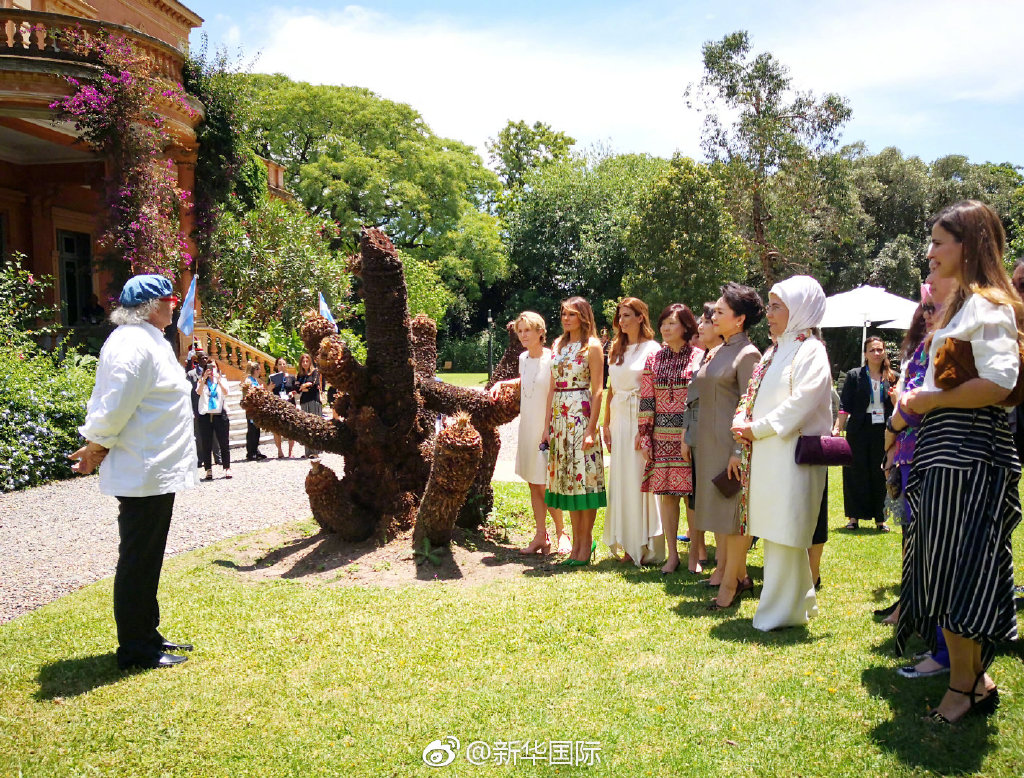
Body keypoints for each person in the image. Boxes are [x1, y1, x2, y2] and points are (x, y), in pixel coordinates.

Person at [896, 200, 1022, 724]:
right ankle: (973, 681)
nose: (929, 252)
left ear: (967, 246)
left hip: (969, 454)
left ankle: (963, 688)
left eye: (937, 242)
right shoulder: (962, 307)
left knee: (961, 570)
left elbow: (1000, 382)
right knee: (945, 570)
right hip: (946, 451)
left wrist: (929, 400)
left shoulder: (989, 306)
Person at [69, 274, 196, 670]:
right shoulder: (132, 344)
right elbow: (114, 405)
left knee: (147, 558)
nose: (174, 305)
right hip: (144, 471)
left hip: (154, 470)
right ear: (152, 306)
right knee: (138, 560)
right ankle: (136, 649)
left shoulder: (147, 339)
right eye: (170, 299)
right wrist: (96, 446)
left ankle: (147, 634)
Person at [731, 276, 832, 628]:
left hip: (793, 454)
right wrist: (742, 418)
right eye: (770, 306)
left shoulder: (811, 350)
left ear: (800, 310)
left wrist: (757, 428)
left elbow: (802, 402)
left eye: (776, 307)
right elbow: (753, 392)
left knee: (788, 528)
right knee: (773, 527)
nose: (769, 314)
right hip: (767, 453)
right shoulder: (774, 351)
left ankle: (781, 611)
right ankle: (793, 603)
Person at [689, 283, 763, 606]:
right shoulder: (719, 350)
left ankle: (730, 586)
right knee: (721, 517)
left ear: (740, 318)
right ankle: (739, 576)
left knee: (733, 519)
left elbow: (750, 406)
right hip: (709, 445)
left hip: (730, 449)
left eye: (720, 312)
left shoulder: (748, 354)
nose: (713, 317)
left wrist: (737, 450)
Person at [490, 312, 569, 555]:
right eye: (520, 331)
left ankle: (562, 533)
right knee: (533, 484)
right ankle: (540, 536)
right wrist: (502, 384)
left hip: (545, 428)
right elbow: (526, 381)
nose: (523, 335)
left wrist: (547, 428)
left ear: (540, 332)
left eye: (528, 330)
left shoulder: (552, 358)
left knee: (545, 484)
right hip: (527, 426)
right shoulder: (523, 358)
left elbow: (554, 394)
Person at [638, 304, 703, 573]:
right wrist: (645, 436)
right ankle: (673, 555)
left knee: (692, 496)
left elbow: (701, 400)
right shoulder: (653, 359)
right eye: (663, 323)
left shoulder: (699, 357)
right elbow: (646, 399)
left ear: (686, 327)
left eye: (672, 323)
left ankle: (695, 555)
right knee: (667, 496)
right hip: (661, 437)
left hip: (690, 436)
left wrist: (692, 433)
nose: (665, 328)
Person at [542, 296, 606, 566]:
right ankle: (577, 545)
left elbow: (598, 390)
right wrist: (546, 427)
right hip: (560, 418)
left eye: (572, 314)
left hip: (580, 414)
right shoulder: (558, 344)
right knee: (569, 482)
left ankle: (585, 543)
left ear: (583, 317)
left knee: (585, 480)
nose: (566, 319)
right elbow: (552, 388)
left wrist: (591, 429)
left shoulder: (592, 346)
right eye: (563, 314)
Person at [602, 298, 663, 566]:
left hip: (641, 417)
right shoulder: (615, 348)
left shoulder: (653, 348)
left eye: (627, 315)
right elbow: (611, 390)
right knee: (621, 479)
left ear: (641, 317)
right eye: (620, 316)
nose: (622, 320)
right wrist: (606, 424)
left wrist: (647, 428)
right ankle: (625, 541)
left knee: (639, 479)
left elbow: (656, 392)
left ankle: (644, 544)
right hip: (618, 417)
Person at [835, 336, 896, 531]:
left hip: (883, 429)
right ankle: (853, 517)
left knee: (881, 472)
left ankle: (881, 519)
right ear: (865, 354)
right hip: (859, 428)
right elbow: (845, 405)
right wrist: (837, 427)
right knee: (855, 471)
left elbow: (898, 405)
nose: (876, 353)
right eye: (872, 350)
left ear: (884, 352)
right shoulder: (855, 375)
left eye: (880, 350)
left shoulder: (892, 377)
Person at [679, 303, 722, 572]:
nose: (700, 327)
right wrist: (686, 435)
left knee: (720, 497)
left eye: (706, 322)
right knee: (696, 496)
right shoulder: (703, 357)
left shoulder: (731, 356)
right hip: (696, 437)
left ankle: (725, 562)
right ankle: (698, 551)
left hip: (718, 439)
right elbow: (690, 400)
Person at [198, 361, 232, 480]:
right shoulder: (202, 381)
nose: (211, 369)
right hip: (206, 415)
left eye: (214, 367)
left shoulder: (222, 380)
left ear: (217, 368)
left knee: (224, 442)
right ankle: (208, 469)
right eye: (209, 367)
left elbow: (226, 392)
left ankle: (227, 467)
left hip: (219, 414)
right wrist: (204, 379)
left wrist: (218, 380)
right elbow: (198, 392)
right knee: (206, 444)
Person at [295, 353, 323, 458]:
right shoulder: (300, 375)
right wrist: (305, 386)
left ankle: (316, 451)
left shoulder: (315, 372)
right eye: (303, 361)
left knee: (314, 425)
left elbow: (314, 385)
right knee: (305, 426)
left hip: (313, 400)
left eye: (307, 361)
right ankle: (308, 452)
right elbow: (297, 388)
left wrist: (304, 387)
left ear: (310, 362)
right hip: (304, 401)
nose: (305, 363)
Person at [268, 356, 296, 459]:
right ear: (276, 366)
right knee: (276, 429)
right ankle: (279, 450)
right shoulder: (272, 377)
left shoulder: (291, 377)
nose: (282, 366)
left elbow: (295, 389)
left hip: (289, 403)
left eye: (284, 364)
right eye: (280, 364)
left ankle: (291, 450)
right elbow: (268, 392)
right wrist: (269, 388)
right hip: (277, 405)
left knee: (291, 427)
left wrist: (293, 393)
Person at [243, 361, 268, 461]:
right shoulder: (248, 381)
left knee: (256, 430)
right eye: (258, 369)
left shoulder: (255, 380)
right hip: (251, 409)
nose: (259, 371)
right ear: (255, 370)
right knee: (252, 431)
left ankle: (255, 449)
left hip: (256, 408)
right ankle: (251, 452)